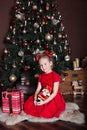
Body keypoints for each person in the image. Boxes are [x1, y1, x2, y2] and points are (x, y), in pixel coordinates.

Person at [24, 52, 65, 118]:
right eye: (41, 65)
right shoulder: (41, 76)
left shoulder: (55, 76)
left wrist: (44, 102)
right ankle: (39, 103)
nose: (43, 67)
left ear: (50, 63)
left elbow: (54, 93)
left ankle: (45, 105)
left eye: (45, 64)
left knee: (47, 111)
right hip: (42, 94)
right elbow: (38, 89)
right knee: (28, 105)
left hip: (52, 97)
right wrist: (35, 98)